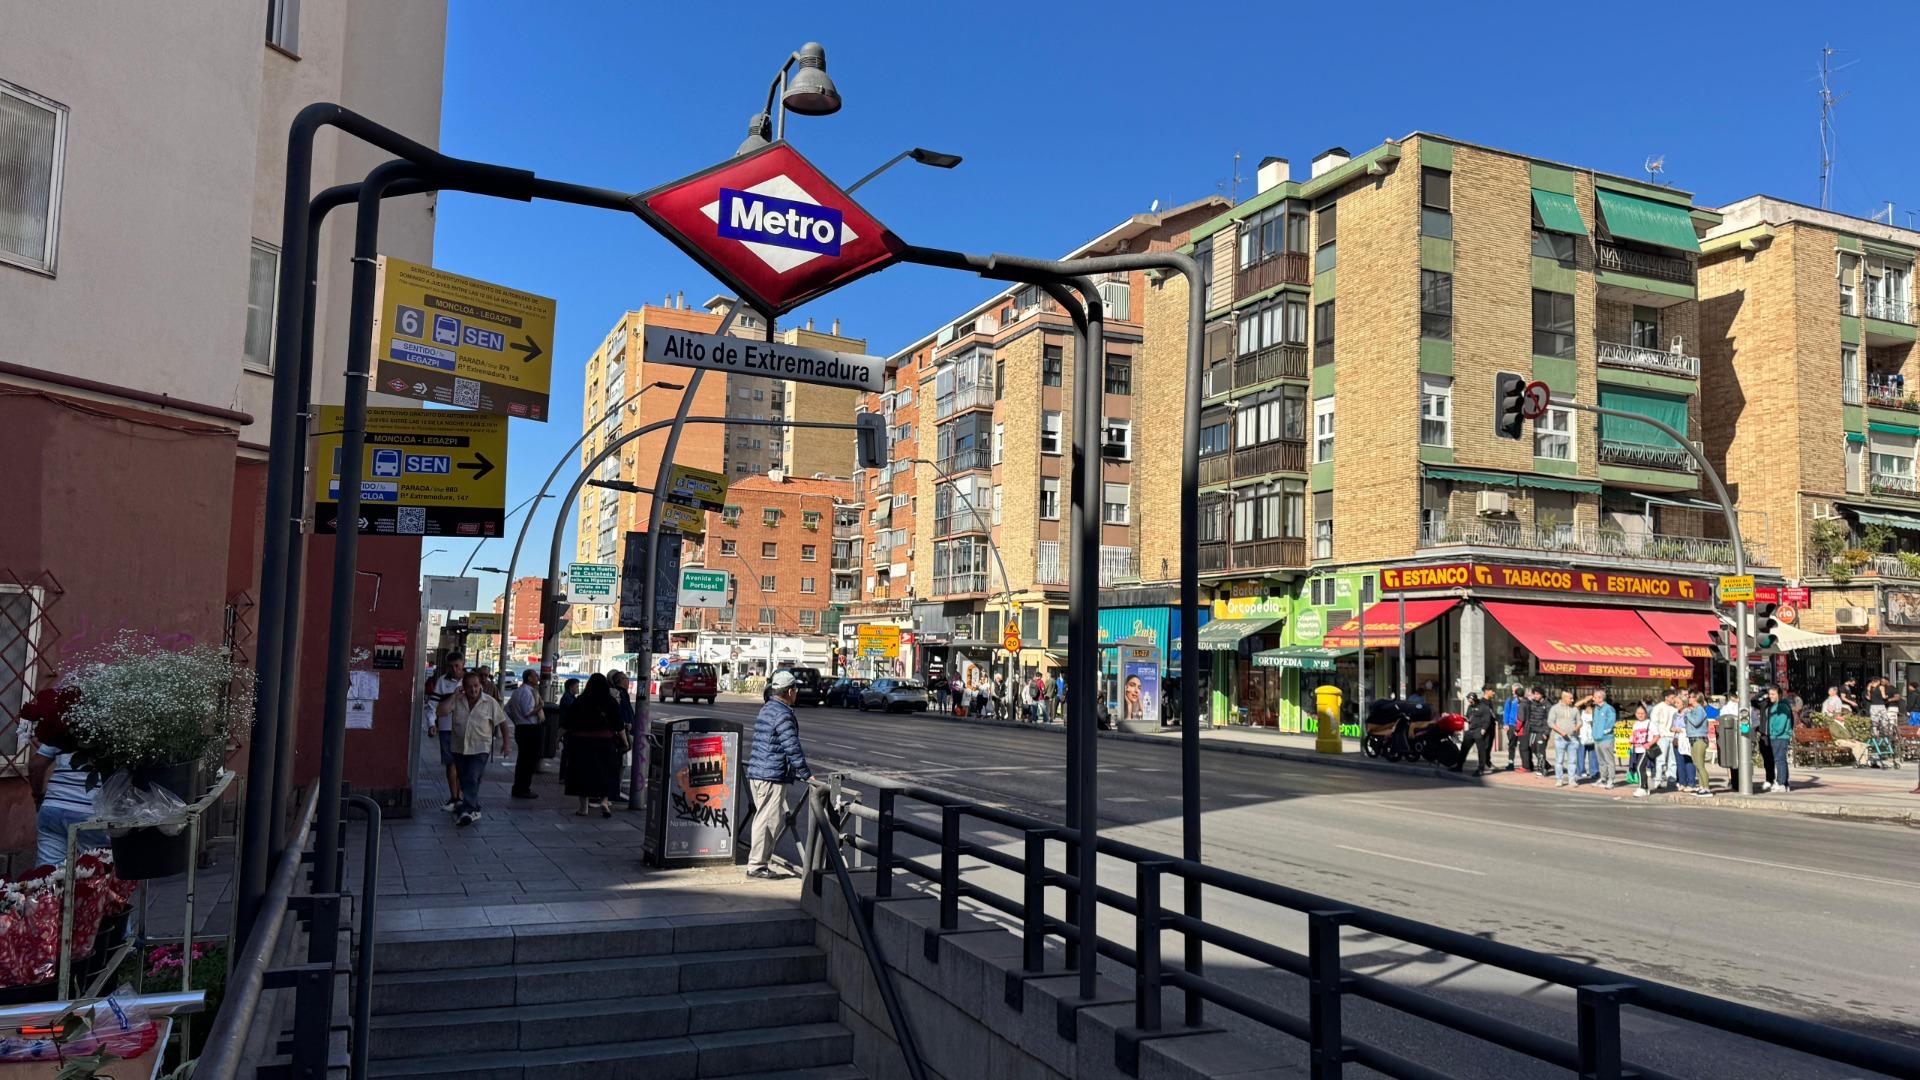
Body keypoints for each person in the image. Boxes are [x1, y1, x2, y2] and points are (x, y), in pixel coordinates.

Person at [746, 670, 813, 879]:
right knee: (768, 823)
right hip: (770, 774)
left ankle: (759, 864)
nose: (797, 693)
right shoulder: (783, 714)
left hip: (759, 772)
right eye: (796, 689)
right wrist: (805, 774)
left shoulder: (768, 708)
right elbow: (791, 746)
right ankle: (757, 866)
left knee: (764, 820)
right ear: (789, 691)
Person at [438, 670, 511, 826]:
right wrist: (454, 696)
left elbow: (502, 723)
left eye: (476, 686)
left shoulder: (490, 702)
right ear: (464, 688)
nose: (473, 689)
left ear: (480, 686)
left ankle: (468, 810)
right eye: (470, 686)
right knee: (465, 779)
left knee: (472, 776)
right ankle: (474, 807)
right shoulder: (458, 700)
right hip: (459, 747)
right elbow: (441, 711)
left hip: (480, 747)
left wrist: (506, 744)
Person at [561, 673, 624, 817]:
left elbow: (567, 723)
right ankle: (604, 801)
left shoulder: (580, 700)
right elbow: (618, 724)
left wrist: (558, 738)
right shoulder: (610, 701)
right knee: (606, 773)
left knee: (582, 774)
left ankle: (583, 808)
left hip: (581, 743)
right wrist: (625, 741)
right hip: (604, 742)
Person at [424, 652, 466, 813]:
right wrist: (431, 723)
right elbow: (432, 705)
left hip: (466, 728)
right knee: (450, 763)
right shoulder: (443, 681)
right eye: (451, 666)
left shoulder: (470, 680)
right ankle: (454, 797)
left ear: (463, 664)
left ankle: (461, 796)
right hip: (447, 727)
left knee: (464, 763)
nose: (454, 669)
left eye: (457, 666)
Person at [506, 670, 544, 800]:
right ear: (529, 678)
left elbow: (507, 709)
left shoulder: (517, 692)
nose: (538, 677)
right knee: (528, 761)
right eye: (535, 676)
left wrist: (517, 721)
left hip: (522, 728)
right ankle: (523, 788)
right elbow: (527, 712)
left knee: (523, 759)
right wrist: (540, 706)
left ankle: (520, 787)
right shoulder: (527, 693)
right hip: (529, 729)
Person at [1765, 686, 1795, 793]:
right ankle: (1784, 783)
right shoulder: (1778, 705)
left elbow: (1780, 724)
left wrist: (1773, 732)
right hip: (1779, 736)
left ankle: (1781, 783)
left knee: (1779, 760)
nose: (1770, 696)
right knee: (1781, 759)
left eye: (1773, 694)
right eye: (1770, 694)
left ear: (1779, 694)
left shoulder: (1781, 706)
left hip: (1779, 737)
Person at [1681, 691, 1711, 794]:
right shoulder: (1693, 710)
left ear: (1696, 699)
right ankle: (1701, 786)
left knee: (1700, 764)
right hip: (1692, 738)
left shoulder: (1700, 709)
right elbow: (1688, 723)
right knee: (1696, 764)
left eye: (1690, 697)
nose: (1688, 698)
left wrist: (1687, 713)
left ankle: (1706, 787)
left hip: (1699, 739)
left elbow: (1696, 722)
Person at [1632, 703, 1664, 799]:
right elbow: (1634, 736)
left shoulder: (1650, 723)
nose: (1640, 715)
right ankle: (1645, 788)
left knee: (1640, 767)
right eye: (1638, 713)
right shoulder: (1635, 724)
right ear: (1635, 714)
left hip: (1646, 749)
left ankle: (1642, 788)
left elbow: (1657, 736)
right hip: (1637, 749)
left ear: (1646, 714)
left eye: (1642, 713)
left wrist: (1649, 744)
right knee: (1639, 768)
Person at [1463, 685, 1497, 776]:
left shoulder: (1488, 703)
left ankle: (1486, 764)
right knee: (1482, 748)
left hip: (1488, 728)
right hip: (1480, 729)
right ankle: (1482, 765)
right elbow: (1471, 716)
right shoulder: (1480, 703)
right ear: (1486, 691)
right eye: (1492, 691)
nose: (1493, 693)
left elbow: (1490, 716)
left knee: (1487, 748)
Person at [1548, 690, 1579, 787]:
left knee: (1572, 761)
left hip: (1573, 739)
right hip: (1560, 738)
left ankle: (1572, 780)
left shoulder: (1575, 709)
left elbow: (1579, 721)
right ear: (1564, 698)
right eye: (1570, 698)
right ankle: (1559, 780)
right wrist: (1561, 732)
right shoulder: (1555, 708)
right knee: (1559, 760)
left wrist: (1577, 728)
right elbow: (1550, 722)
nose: (1572, 700)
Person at [1589, 689, 1618, 788]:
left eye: (1595, 697)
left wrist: (1603, 732)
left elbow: (1611, 723)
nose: (1593, 699)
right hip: (1597, 739)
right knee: (1601, 761)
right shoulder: (1596, 708)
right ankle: (1603, 779)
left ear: (1600, 698)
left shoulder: (1609, 709)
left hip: (1606, 739)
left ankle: (1611, 780)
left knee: (1609, 761)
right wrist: (1594, 734)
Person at [1523, 687, 1550, 775]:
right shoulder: (1532, 703)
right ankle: (1546, 764)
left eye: (1537, 694)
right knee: (1533, 748)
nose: (1535, 696)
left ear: (1542, 694)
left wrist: (1546, 732)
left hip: (1542, 731)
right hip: (1532, 730)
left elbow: (1549, 720)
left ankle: (1541, 769)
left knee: (1540, 750)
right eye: (1534, 694)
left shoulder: (1547, 704)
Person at [1501, 686, 1523, 770]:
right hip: (1512, 726)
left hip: (1522, 726)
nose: (1513, 692)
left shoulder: (1524, 700)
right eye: (1513, 690)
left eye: (1515, 690)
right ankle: (1511, 763)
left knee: (1523, 746)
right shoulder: (1510, 700)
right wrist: (1505, 724)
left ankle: (1526, 764)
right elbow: (1506, 712)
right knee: (1511, 745)